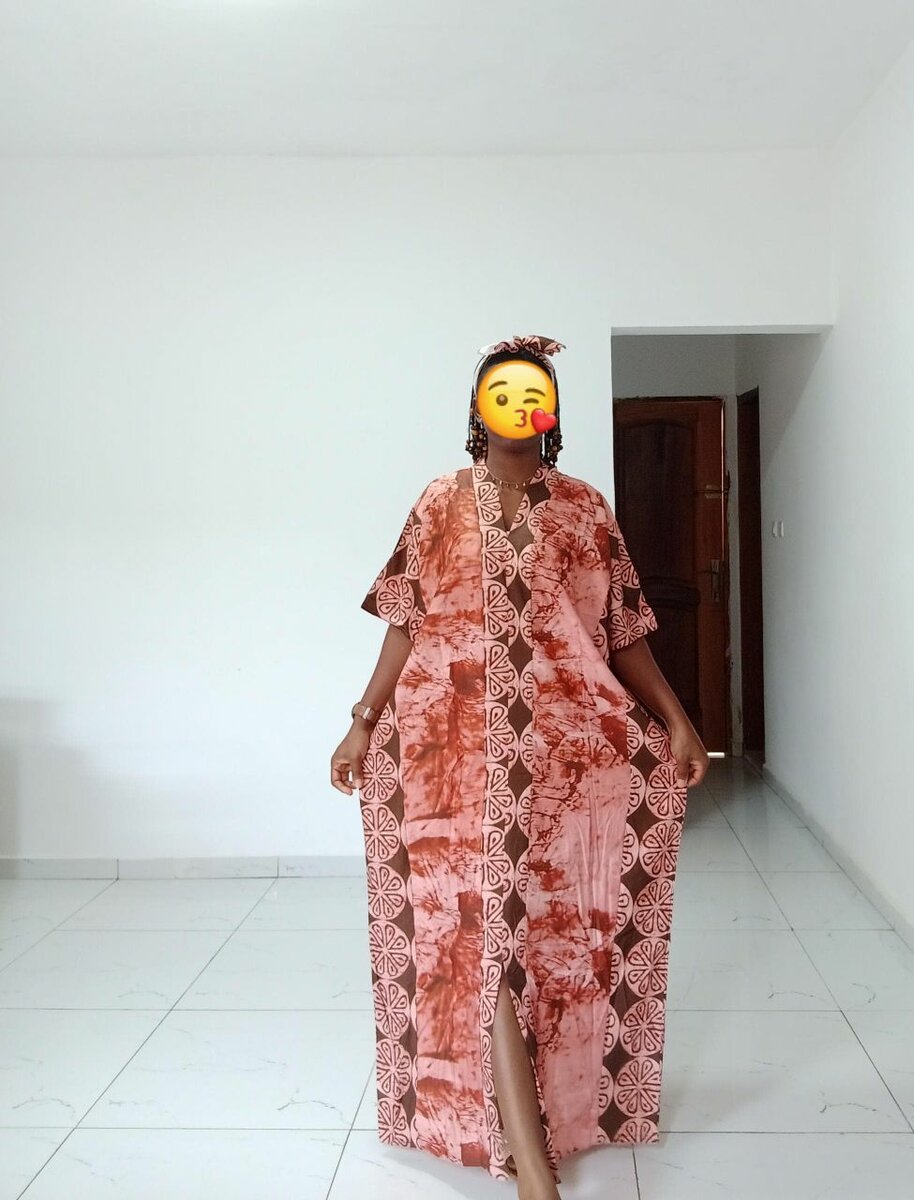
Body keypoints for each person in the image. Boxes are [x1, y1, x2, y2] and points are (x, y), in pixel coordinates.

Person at [330, 334, 709, 1200]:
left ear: (552, 410)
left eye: (533, 391)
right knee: (481, 935)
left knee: (543, 938)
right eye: (500, 391)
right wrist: (361, 723)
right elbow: (406, 620)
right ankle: (532, 1167)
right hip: (446, 755)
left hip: (563, 759)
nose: (517, 403)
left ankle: (549, 1120)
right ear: (477, 408)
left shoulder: (584, 508)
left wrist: (678, 724)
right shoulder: (439, 502)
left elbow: (621, 632)